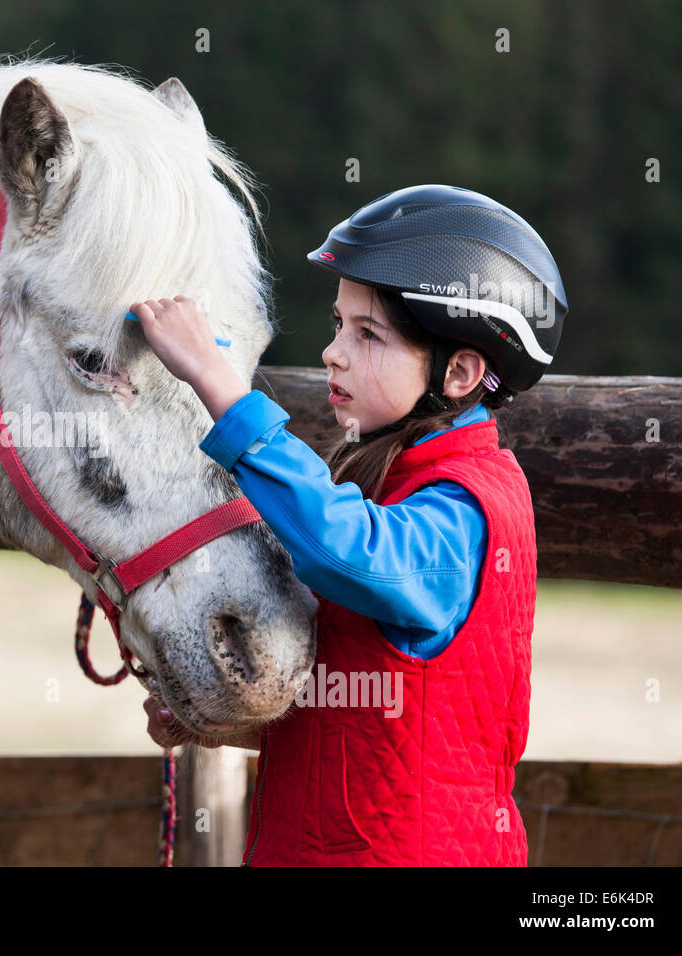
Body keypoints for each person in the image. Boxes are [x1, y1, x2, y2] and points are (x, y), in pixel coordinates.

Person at [132, 184, 568, 866]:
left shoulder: (468, 510)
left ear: (460, 372)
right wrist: (218, 720)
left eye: (367, 335)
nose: (334, 352)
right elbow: (360, 714)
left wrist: (224, 391)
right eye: (338, 325)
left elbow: (350, 550)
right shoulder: (388, 483)